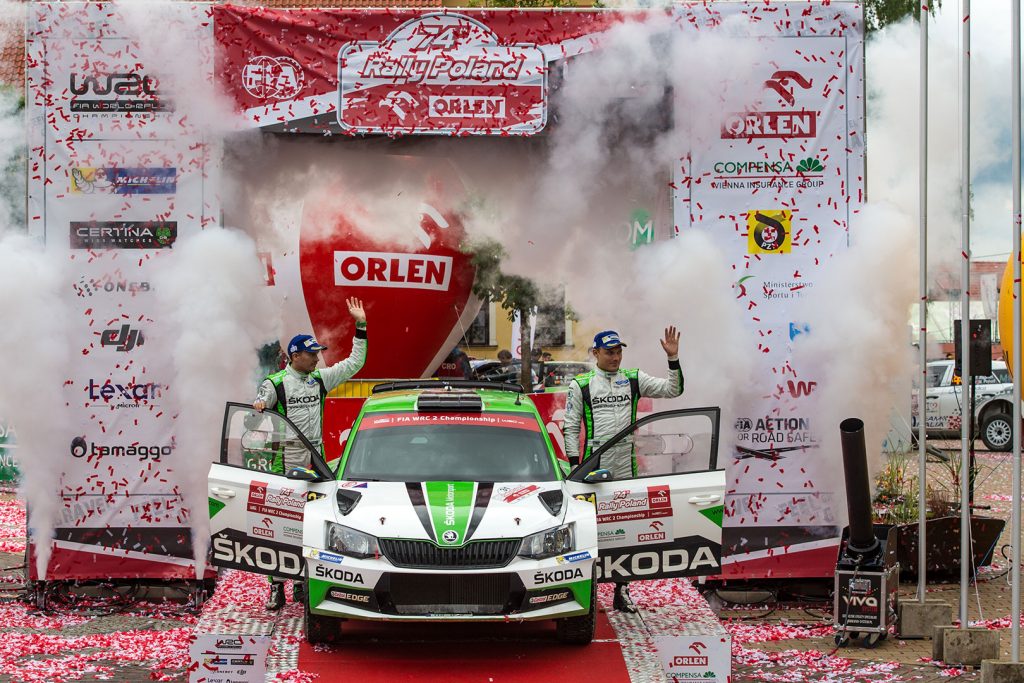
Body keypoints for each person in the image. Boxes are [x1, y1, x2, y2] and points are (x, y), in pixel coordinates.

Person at [252, 296, 367, 610]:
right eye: (312, 354)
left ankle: (304, 583)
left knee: (310, 524)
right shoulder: (274, 383)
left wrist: (361, 326)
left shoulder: (320, 379)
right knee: (276, 525)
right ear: (295, 355)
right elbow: (255, 418)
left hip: (314, 459)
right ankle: (276, 587)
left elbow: (355, 364)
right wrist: (259, 407)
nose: (317, 358)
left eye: (318, 353)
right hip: (283, 460)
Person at [562, 327, 682, 614]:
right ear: (596, 353)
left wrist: (673, 358)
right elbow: (570, 425)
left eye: (618, 352)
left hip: (625, 462)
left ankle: (622, 590)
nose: (615, 357)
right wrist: (575, 465)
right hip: (594, 462)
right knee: (590, 530)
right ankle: (587, 590)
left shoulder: (633, 378)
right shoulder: (581, 384)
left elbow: (673, 390)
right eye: (609, 352)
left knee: (627, 529)